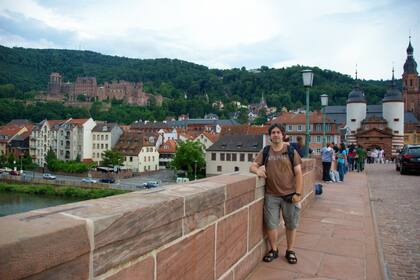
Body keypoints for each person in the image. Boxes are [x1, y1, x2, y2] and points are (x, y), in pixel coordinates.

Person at [249, 123, 303, 264]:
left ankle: (290, 250)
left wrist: (298, 193)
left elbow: (298, 173)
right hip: (271, 195)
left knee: (291, 224)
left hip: (290, 195)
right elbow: (253, 165)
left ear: (283, 135)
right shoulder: (266, 151)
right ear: (270, 136)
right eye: (273, 132)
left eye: (278, 132)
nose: (276, 134)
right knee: (271, 224)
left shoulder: (291, 151)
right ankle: (274, 249)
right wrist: (257, 171)